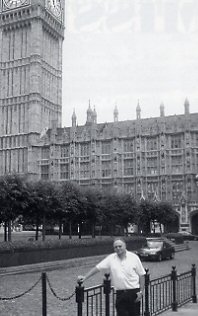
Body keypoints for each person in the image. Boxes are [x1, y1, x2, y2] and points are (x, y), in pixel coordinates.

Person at [77, 238, 146, 316]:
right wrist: (85, 277)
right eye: (115, 247)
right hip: (120, 295)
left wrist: (141, 292)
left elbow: (141, 275)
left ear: (125, 246)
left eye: (120, 246)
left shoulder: (134, 258)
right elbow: (97, 268)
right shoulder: (111, 258)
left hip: (134, 293)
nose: (118, 248)